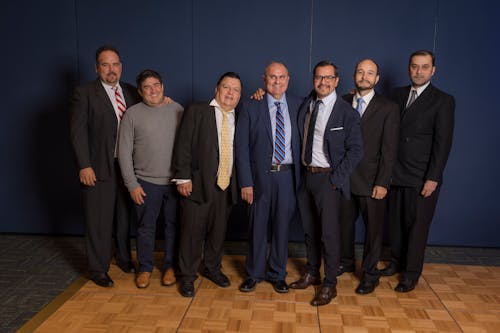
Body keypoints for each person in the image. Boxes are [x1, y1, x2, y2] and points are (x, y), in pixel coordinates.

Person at [289, 61, 363, 306]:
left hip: (329, 180)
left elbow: (356, 150)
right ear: (313, 80)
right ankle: (312, 272)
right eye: (319, 77)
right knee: (310, 230)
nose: (324, 82)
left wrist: (336, 180)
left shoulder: (347, 112)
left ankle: (330, 284)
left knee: (329, 235)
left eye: (329, 78)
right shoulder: (306, 104)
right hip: (306, 177)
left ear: (337, 81)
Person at [380, 50, 455, 293]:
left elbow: (442, 144)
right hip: (396, 172)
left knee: (417, 227)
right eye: (414, 66)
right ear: (408, 68)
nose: (418, 71)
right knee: (396, 224)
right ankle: (396, 263)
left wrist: (433, 177)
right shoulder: (397, 94)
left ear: (433, 70)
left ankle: (411, 274)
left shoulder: (443, 100)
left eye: (424, 67)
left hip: (422, 176)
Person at [70, 45, 140, 287]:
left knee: (123, 216)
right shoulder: (85, 92)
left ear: (121, 66)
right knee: (98, 219)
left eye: (115, 64)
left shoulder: (132, 91)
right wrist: (84, 165)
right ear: (96, 67)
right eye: (105, 64)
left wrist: (166, 100)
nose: (112, 69)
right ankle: (98, 268)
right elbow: (77, 133)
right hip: (99, 166)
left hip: (127, 166)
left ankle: (122, 257)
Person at [173, 72, 242, 297]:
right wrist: (183, 177)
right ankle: (187, 276)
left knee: (217, 233)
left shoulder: (240, 117)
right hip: (198, 185)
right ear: (216, 90)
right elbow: (183, 144)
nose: (230, 93)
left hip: (225, 186)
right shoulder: (197, 111)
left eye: (236, 90)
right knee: (191, 233)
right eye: (226, 87)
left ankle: (212, 268)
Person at [235, 62, 302, 294]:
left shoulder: (299, 105)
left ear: (288, 79)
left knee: (282, 228)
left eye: (281, 77)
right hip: (259, 177)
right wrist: (246, 182)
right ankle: (254, 273)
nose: (277, 81)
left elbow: (326, 100)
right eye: (272, 77)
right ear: (264, 80)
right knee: (257, 226)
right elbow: (241, 148)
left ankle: (277, 274)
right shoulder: (251, 106)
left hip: (287, 177)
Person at [338, 59, 399, 294]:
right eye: (360, 72)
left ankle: (370, 275)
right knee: (344, 226)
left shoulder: (388, 108)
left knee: (373, 233)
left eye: (370, 73)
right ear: (354, 75)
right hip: (344, 179)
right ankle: (345, 261)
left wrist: (383, 182)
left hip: (372, 182)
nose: (364, 76)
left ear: (377, 79)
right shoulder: (342, 102)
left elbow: (389, 150)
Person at [118, 69, 183, 289]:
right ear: (140, 91)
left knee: (174, 227)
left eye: (156, 85)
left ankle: (170, 266)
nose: (153, 90)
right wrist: (131, 184)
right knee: (146, 228)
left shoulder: (177, 109)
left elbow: (188, 147)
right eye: (147, 87)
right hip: (145, 183)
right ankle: (145, 268)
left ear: (163, 86)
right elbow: (124, 152)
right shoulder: (132, 114)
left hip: (175, 183)